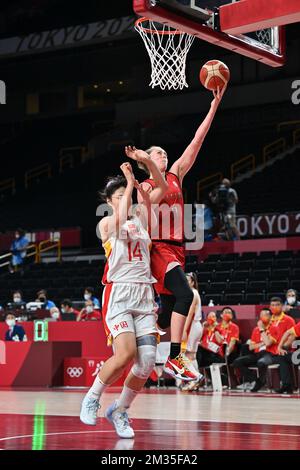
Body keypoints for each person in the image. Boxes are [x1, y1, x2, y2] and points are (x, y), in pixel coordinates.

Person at [125, 85, 226, 381]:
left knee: (167, 313)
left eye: (166, 153)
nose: (164, 156)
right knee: (185, 294)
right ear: (147, 159)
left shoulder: (176, 174)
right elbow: (146, 208)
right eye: (158, 154)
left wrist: (214, 106)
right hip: (158, 249)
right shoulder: (145, 187)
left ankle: (136, 338)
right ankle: (174, 358)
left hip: (177, 249)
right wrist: (142, 163)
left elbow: (198, 139)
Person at [80, 158, 167, 438]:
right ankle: (92, 397)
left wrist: (146, 165)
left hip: (144, 293)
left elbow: (161, 190)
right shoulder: (106, 223)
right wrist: (129, 182)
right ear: (109, 201)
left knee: (147, 361)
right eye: (119, 197)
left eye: (126, 197)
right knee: (126, 354)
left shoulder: (140, 221)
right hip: (119, 292)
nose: (125, 201)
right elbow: (118, 221)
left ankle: (120, 409)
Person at [251, 297, 295, 393]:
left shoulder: (288, 320)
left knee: (282, 357)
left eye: (277, 305)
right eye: (273, 305)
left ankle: (286, 385)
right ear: (270, 307)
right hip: (270, 352)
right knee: (260, 362)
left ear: (282, 306)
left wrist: (283, 347)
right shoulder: (270, 321)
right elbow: (267, 341)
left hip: (284, 350)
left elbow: (292, 337)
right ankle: (261, 381)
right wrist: (262, 329)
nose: (275, 307)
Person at [233, 308, 275, 390]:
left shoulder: (274, 327)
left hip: (268, 353)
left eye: (265, 315)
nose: (263, 317)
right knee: (237, 362)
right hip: (256, 354)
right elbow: (251, 347)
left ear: (271, 316)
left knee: (261, 362)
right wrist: (262, 343)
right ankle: (256, 380)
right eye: (261, 315)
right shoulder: (256, 329)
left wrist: (260, 342)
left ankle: (263, 382)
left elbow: (268, 344)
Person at [181, 272, 203, 390]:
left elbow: (190, 313)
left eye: (187, 280)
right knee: (192, 356)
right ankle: (195, 382)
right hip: (196, 326)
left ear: (193, 282)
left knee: (185, 355)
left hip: (192, 326)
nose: (185, 281)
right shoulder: (195, 293)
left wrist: (184, 330)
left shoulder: (192, 293)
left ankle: (194, 378)